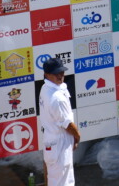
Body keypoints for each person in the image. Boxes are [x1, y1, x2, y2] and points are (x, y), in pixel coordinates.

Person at [39, 57, 79, 186]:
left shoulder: (46, 88)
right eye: (56, 73)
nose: (60, 75)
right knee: (62, 182)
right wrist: (77, 137)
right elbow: (67, 124)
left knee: (60, 180)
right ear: (47, 74)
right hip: (59, 144)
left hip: (54, 142)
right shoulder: (56, 98)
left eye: (61, 72)